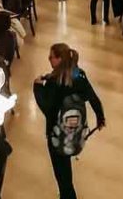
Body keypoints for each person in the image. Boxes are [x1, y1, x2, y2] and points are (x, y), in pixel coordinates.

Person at [33, 43, 105, 199]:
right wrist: (100, 117)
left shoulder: (54, 82)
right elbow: (92, 97)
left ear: (58, 59)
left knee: (62, 173)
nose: (49, 60)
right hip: (75, 130)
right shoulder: (79, 75)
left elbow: (47, 108)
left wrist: (37, 87)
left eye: (51, 57)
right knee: (66, 165)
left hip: (56, 134)